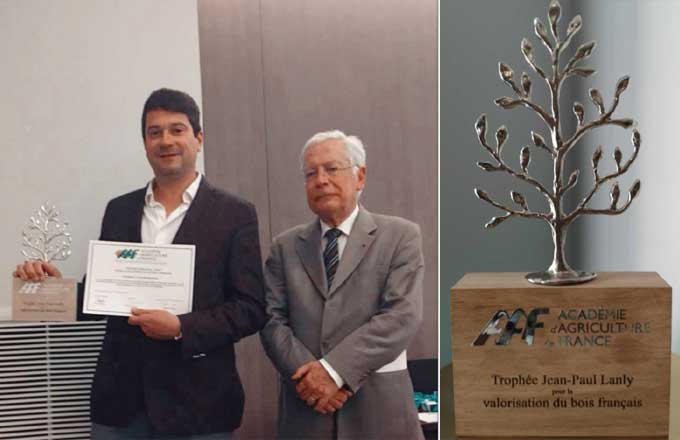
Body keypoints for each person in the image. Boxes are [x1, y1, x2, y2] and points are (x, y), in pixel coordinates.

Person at [13, 88, 266, 439]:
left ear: (198, 138)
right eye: (154, 131)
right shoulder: (119, 210)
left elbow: (251, 308)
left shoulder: (235, 214)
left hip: (200, 404)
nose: (166, 140)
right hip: (121, 403)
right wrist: (50, 289)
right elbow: (100, 297)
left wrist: (180, 326)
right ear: (145, 143)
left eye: (177, 130)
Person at [260, 130, 425, 439]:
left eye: (332, 169)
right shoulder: (284, 247)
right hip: (306, 413)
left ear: (359, 177)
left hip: (380, 416)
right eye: (311, 173)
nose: (321, 180)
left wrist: (334, 373)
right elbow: (272, 321)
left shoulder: (400, 237)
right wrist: (312, 380)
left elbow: (402, 316)